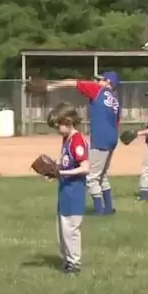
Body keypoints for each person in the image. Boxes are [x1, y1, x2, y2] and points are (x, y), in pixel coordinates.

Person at [56, 72, 120, 215]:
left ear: (107, 82)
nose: (97, 81)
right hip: (112, 139)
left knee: (91, 176)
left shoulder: (98, 90)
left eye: (101, 79)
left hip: (101, 139)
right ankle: (108, 208)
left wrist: (51, 86)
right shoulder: (115, 100)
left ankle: (99, 211)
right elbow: (117, 122)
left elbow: (73, 83)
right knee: (102, 175)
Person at [48, 103, 91, 274]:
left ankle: (74, 262)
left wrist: (62, 172)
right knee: (61, 229)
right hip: (65, 190)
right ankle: (67, 259)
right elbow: (65, 163)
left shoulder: (78, 141)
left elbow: (85, 167)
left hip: (75, 191)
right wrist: (54, 171)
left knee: (71, 229)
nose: (57, 129)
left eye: (58, 125)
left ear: (68, 121)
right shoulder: (67, 139)